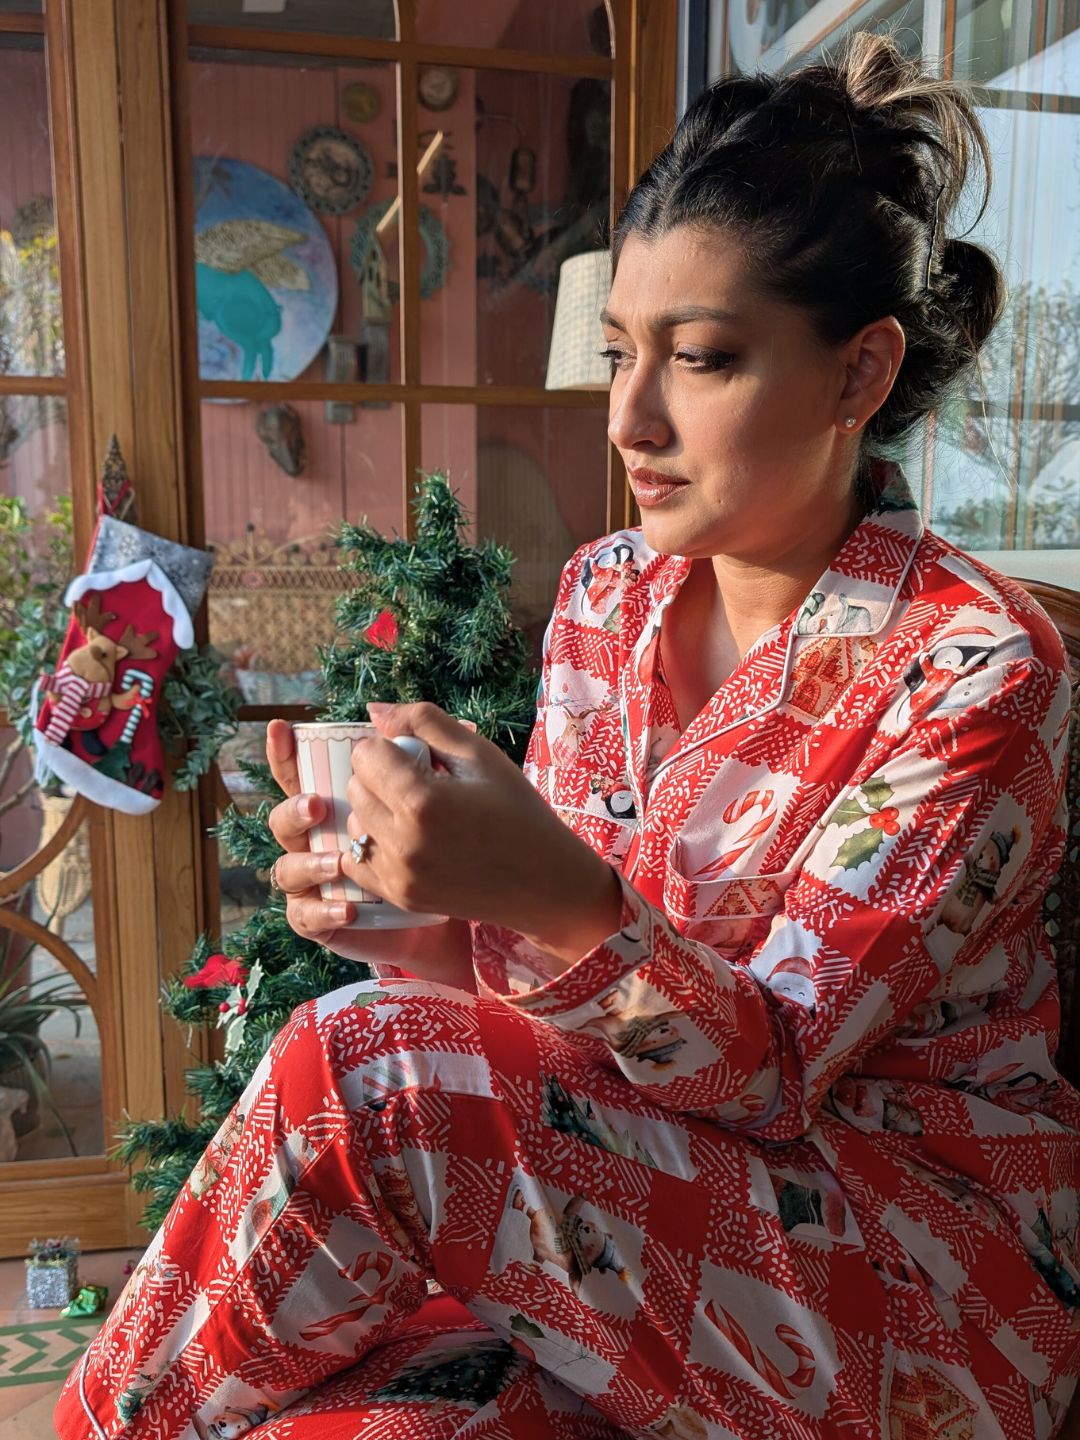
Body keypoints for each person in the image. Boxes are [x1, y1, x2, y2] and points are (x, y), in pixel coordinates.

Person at [58, 29, 1079, 1440]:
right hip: (630, 1219)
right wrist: (418, 919)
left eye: (703, 359)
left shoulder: (972, 666)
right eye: (620, 354)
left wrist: (540, 893)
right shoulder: (607, 596)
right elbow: (554, 1008)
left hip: (913, 1290)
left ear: (859, 376)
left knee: (364, 1070)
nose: (630, 418)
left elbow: (774, 1075)